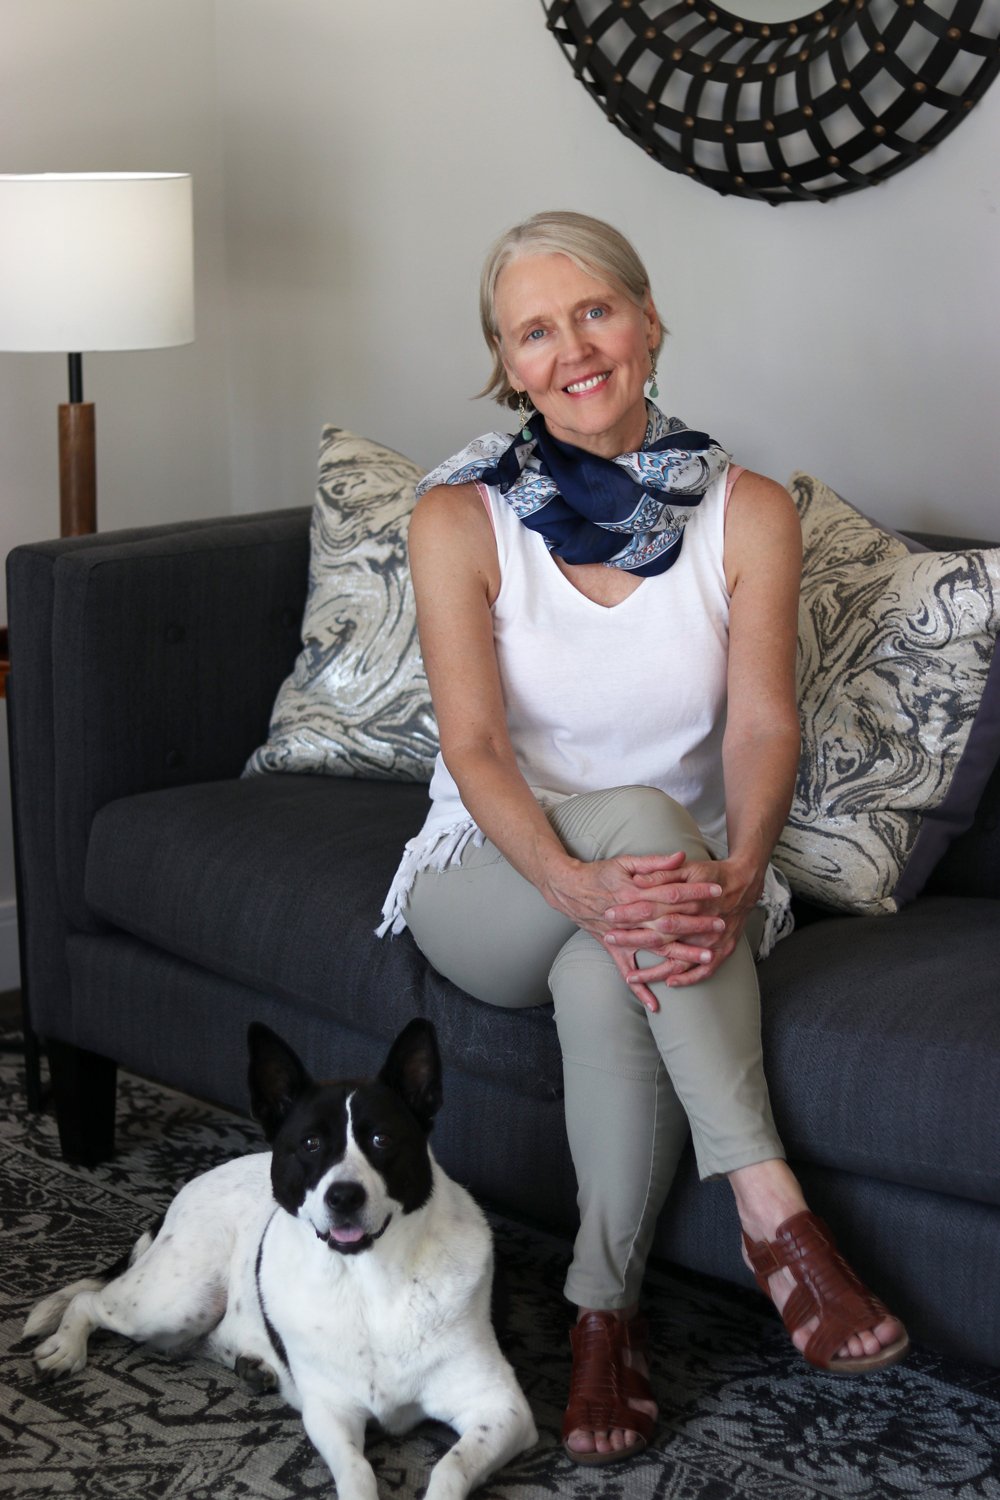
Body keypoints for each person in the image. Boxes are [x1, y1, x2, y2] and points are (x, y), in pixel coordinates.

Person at [378, 210, 908, 1466]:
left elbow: (764, 724)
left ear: (649, 319)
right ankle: (770, 1208)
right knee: (635, 841)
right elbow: (477, 750)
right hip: (491, 879)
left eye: (595, 312)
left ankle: (599, 1321)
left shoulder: (749, 511)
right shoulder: (460, 517)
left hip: (678, 894)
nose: (574, 348)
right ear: (507, 364)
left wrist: (737, 870)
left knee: (607, 980)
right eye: (535, 331)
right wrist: (576, 881)